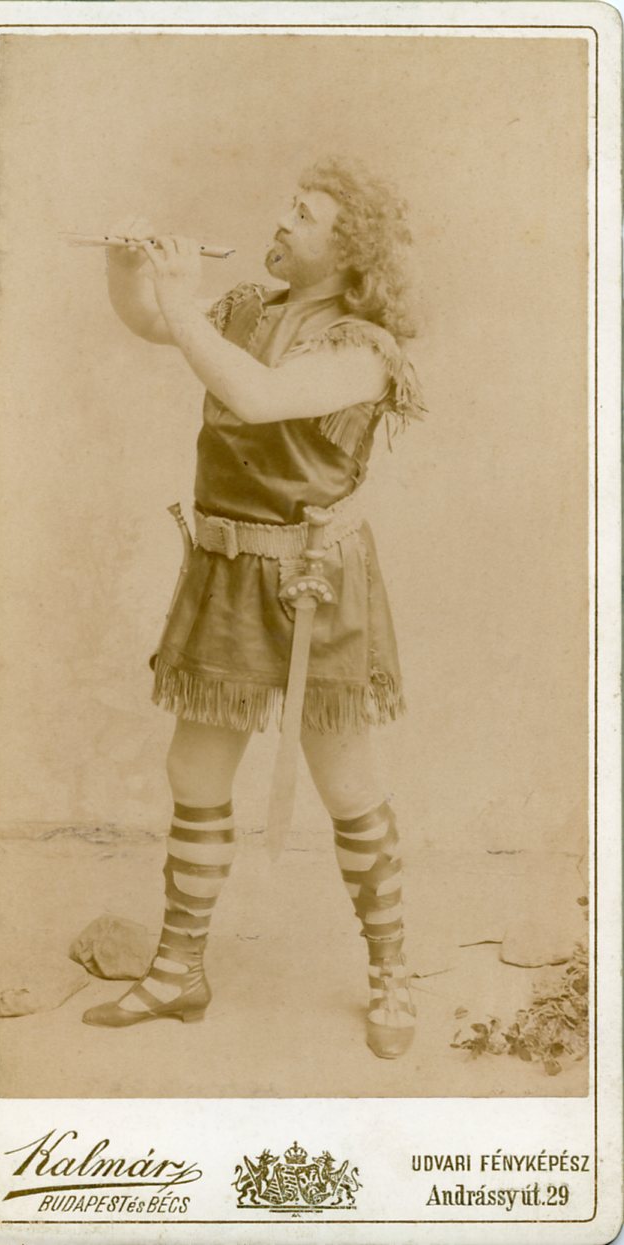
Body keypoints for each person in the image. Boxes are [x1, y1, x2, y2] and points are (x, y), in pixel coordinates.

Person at [82, 156, 424, 1059]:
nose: (281, 221)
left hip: (318, 583)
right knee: (193, 771)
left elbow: (257, 395)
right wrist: (129, 266)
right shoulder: (245, 309)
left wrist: (181, 300)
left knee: (346, 782)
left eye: (302, 215)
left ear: (347, 251)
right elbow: (153, 321)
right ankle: (178, 971)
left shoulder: (365, 350)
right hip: (227, 575)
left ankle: (391, 971)